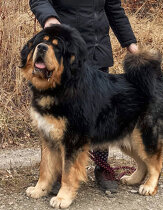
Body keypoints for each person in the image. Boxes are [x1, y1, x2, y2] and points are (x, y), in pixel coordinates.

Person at [29, 0, 139, 193]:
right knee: (58, 121)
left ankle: (102, 168)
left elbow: (114, 8)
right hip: (65, 53)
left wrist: (130, 43)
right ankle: (56, 174)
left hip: (98, 51)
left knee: (99, 114)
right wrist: (50, 18)